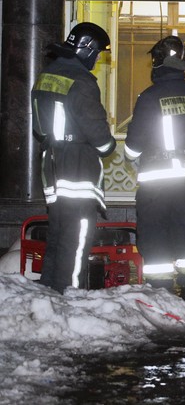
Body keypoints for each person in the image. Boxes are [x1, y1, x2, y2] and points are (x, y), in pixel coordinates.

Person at [31, 23, 116, 293]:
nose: (97, 59)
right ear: (87, 48)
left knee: (57, 232)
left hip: (52, 162)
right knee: (78, 235)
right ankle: (71, 295)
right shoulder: (81, 81)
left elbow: (38, 129)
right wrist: (107, 144)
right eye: (98, 53)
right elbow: (99, 135)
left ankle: (50, 289)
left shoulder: (47, 74)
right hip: (77, 165)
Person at [124, 35, 185, 308]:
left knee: (153, 233)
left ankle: (159, 293)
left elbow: (135, 141)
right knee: (184, 231)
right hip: (183, 176)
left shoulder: (149, 96)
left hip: (155, 178)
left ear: (158, 62)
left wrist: (133, 158)